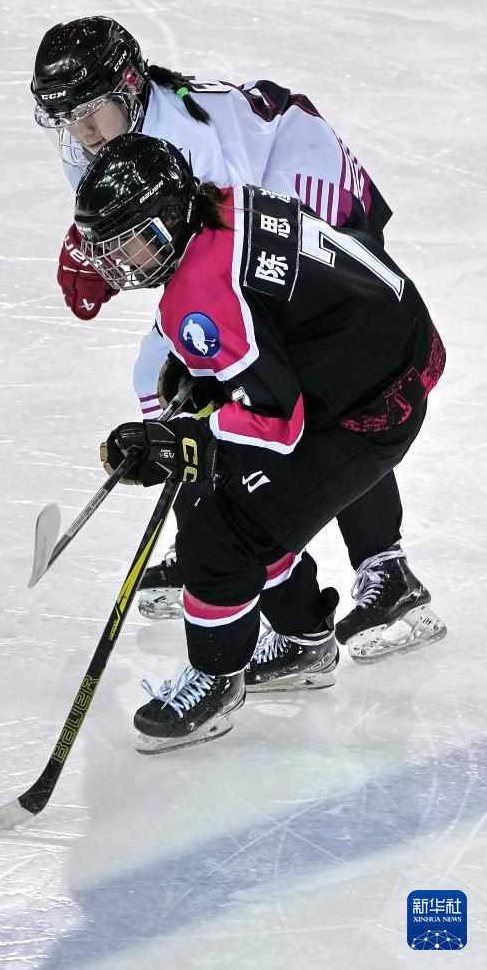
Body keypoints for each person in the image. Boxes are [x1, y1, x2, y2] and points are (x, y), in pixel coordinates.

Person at [30, 15, 443, 657]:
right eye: (65, 116)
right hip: (246, 214)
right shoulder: (95, 140)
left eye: (89, 111)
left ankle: (371, 562)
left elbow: (213, 256)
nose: (80, 130)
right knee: (205, 377)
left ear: (130, 86)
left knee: (311, 389)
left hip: (309, 194)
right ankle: (222, 516)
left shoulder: (186, 139)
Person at [73, 133, 446, 753]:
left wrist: (179, 440)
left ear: (166, 221)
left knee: (220, 531)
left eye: (125, 241)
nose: (114, 261)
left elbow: (276, 423)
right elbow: (270, 315)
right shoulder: (221, 202)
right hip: (385, 351)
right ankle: (303, 642)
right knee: (234, 500)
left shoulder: (200, 291)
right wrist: (205, 384)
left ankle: (216, 680)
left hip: (374, 405)